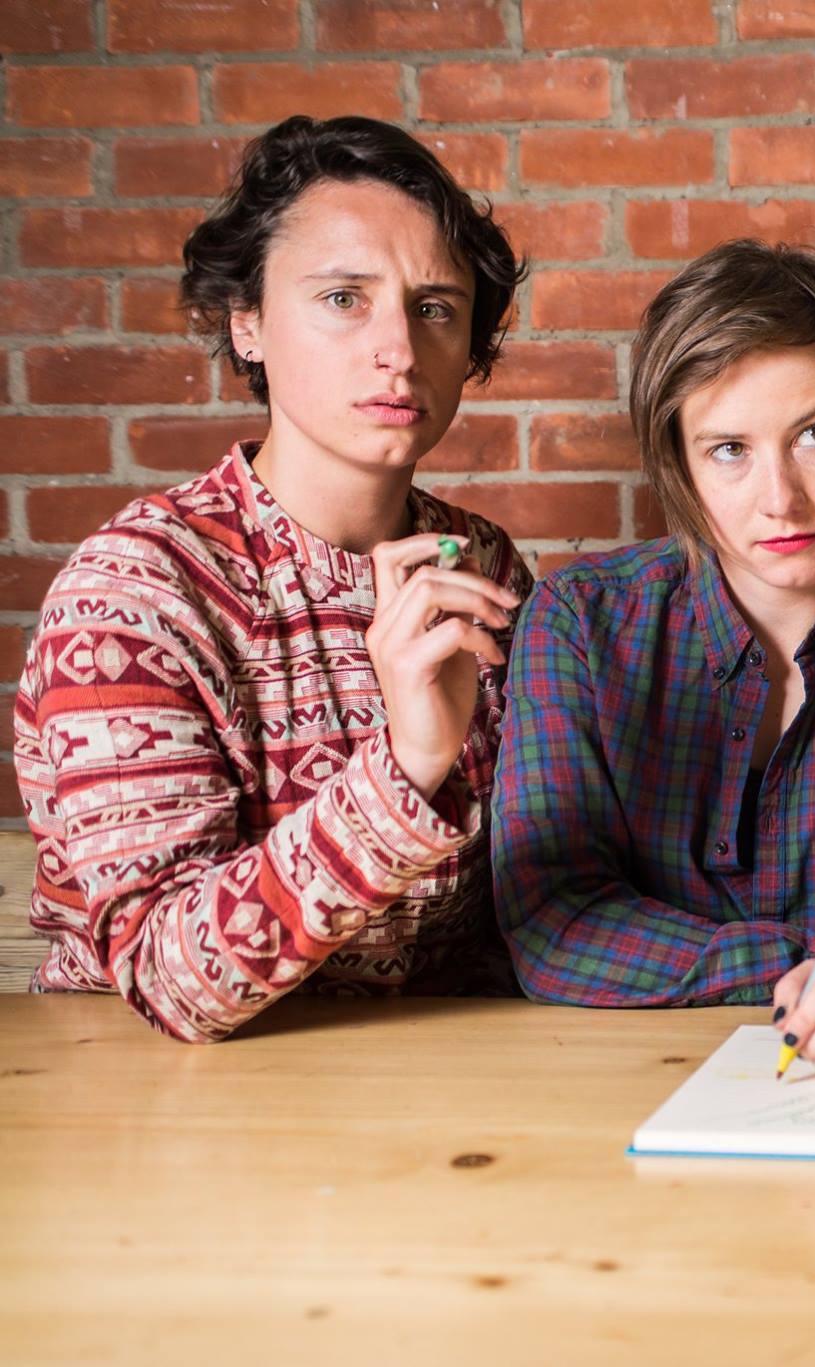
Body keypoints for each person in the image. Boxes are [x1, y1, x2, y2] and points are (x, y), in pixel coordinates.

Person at [13, 115, 530, 1041]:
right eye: (343, 298)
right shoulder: (136, 593)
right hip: (150, 1084)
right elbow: (171, 977)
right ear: (246, 322)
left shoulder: (480, 563)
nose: (399, 349)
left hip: (427, 1077)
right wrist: (408, 765)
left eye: (434, 307)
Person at [492, 240, 815, 1077]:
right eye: (729, 449)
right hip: (620, 1078)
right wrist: (800, 967)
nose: (782, 498)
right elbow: (556, 921)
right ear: (679, 463)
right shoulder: (580, 625)